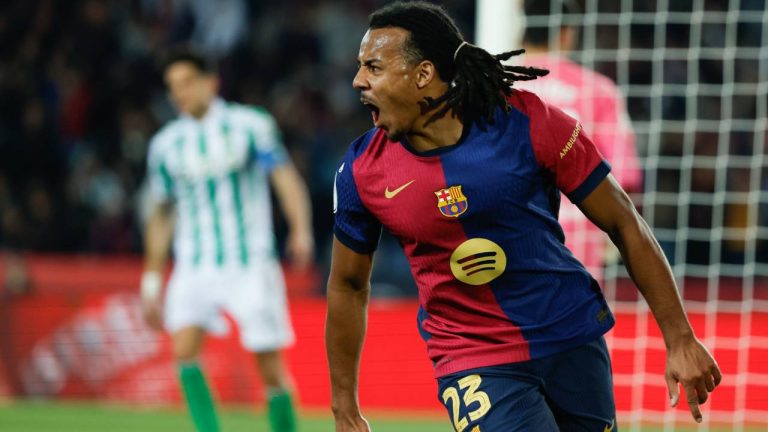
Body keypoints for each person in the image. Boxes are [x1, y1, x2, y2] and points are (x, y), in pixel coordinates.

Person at [325, 2, 720, 431]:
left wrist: (680, 337)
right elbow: (347, 283)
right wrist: (344, 406)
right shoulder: (363, 170)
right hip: (473, 356)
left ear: (423, 75)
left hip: (570, 334)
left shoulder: (529, 122)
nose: (358, 80)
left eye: (373, 67)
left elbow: (624, 221)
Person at [141, 48, 313, 432]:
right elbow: (162, 212)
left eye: (186, 83)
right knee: (183, 352)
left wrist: (300, 229)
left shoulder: (249, 126)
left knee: (269, 368)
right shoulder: (166, 145)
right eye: (172, 87)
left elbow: (284, 177)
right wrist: (151, 279)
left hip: (249, 261)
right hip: (194, 264)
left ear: (210, 82)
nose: (179, 93)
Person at [515, 0, 642, 280]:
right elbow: (625, 174)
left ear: (522, 32)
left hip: (510, 228)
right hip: (577, 231)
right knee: (582, 318)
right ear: (566, 33)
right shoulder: (597, 90)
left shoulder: (501, 87)